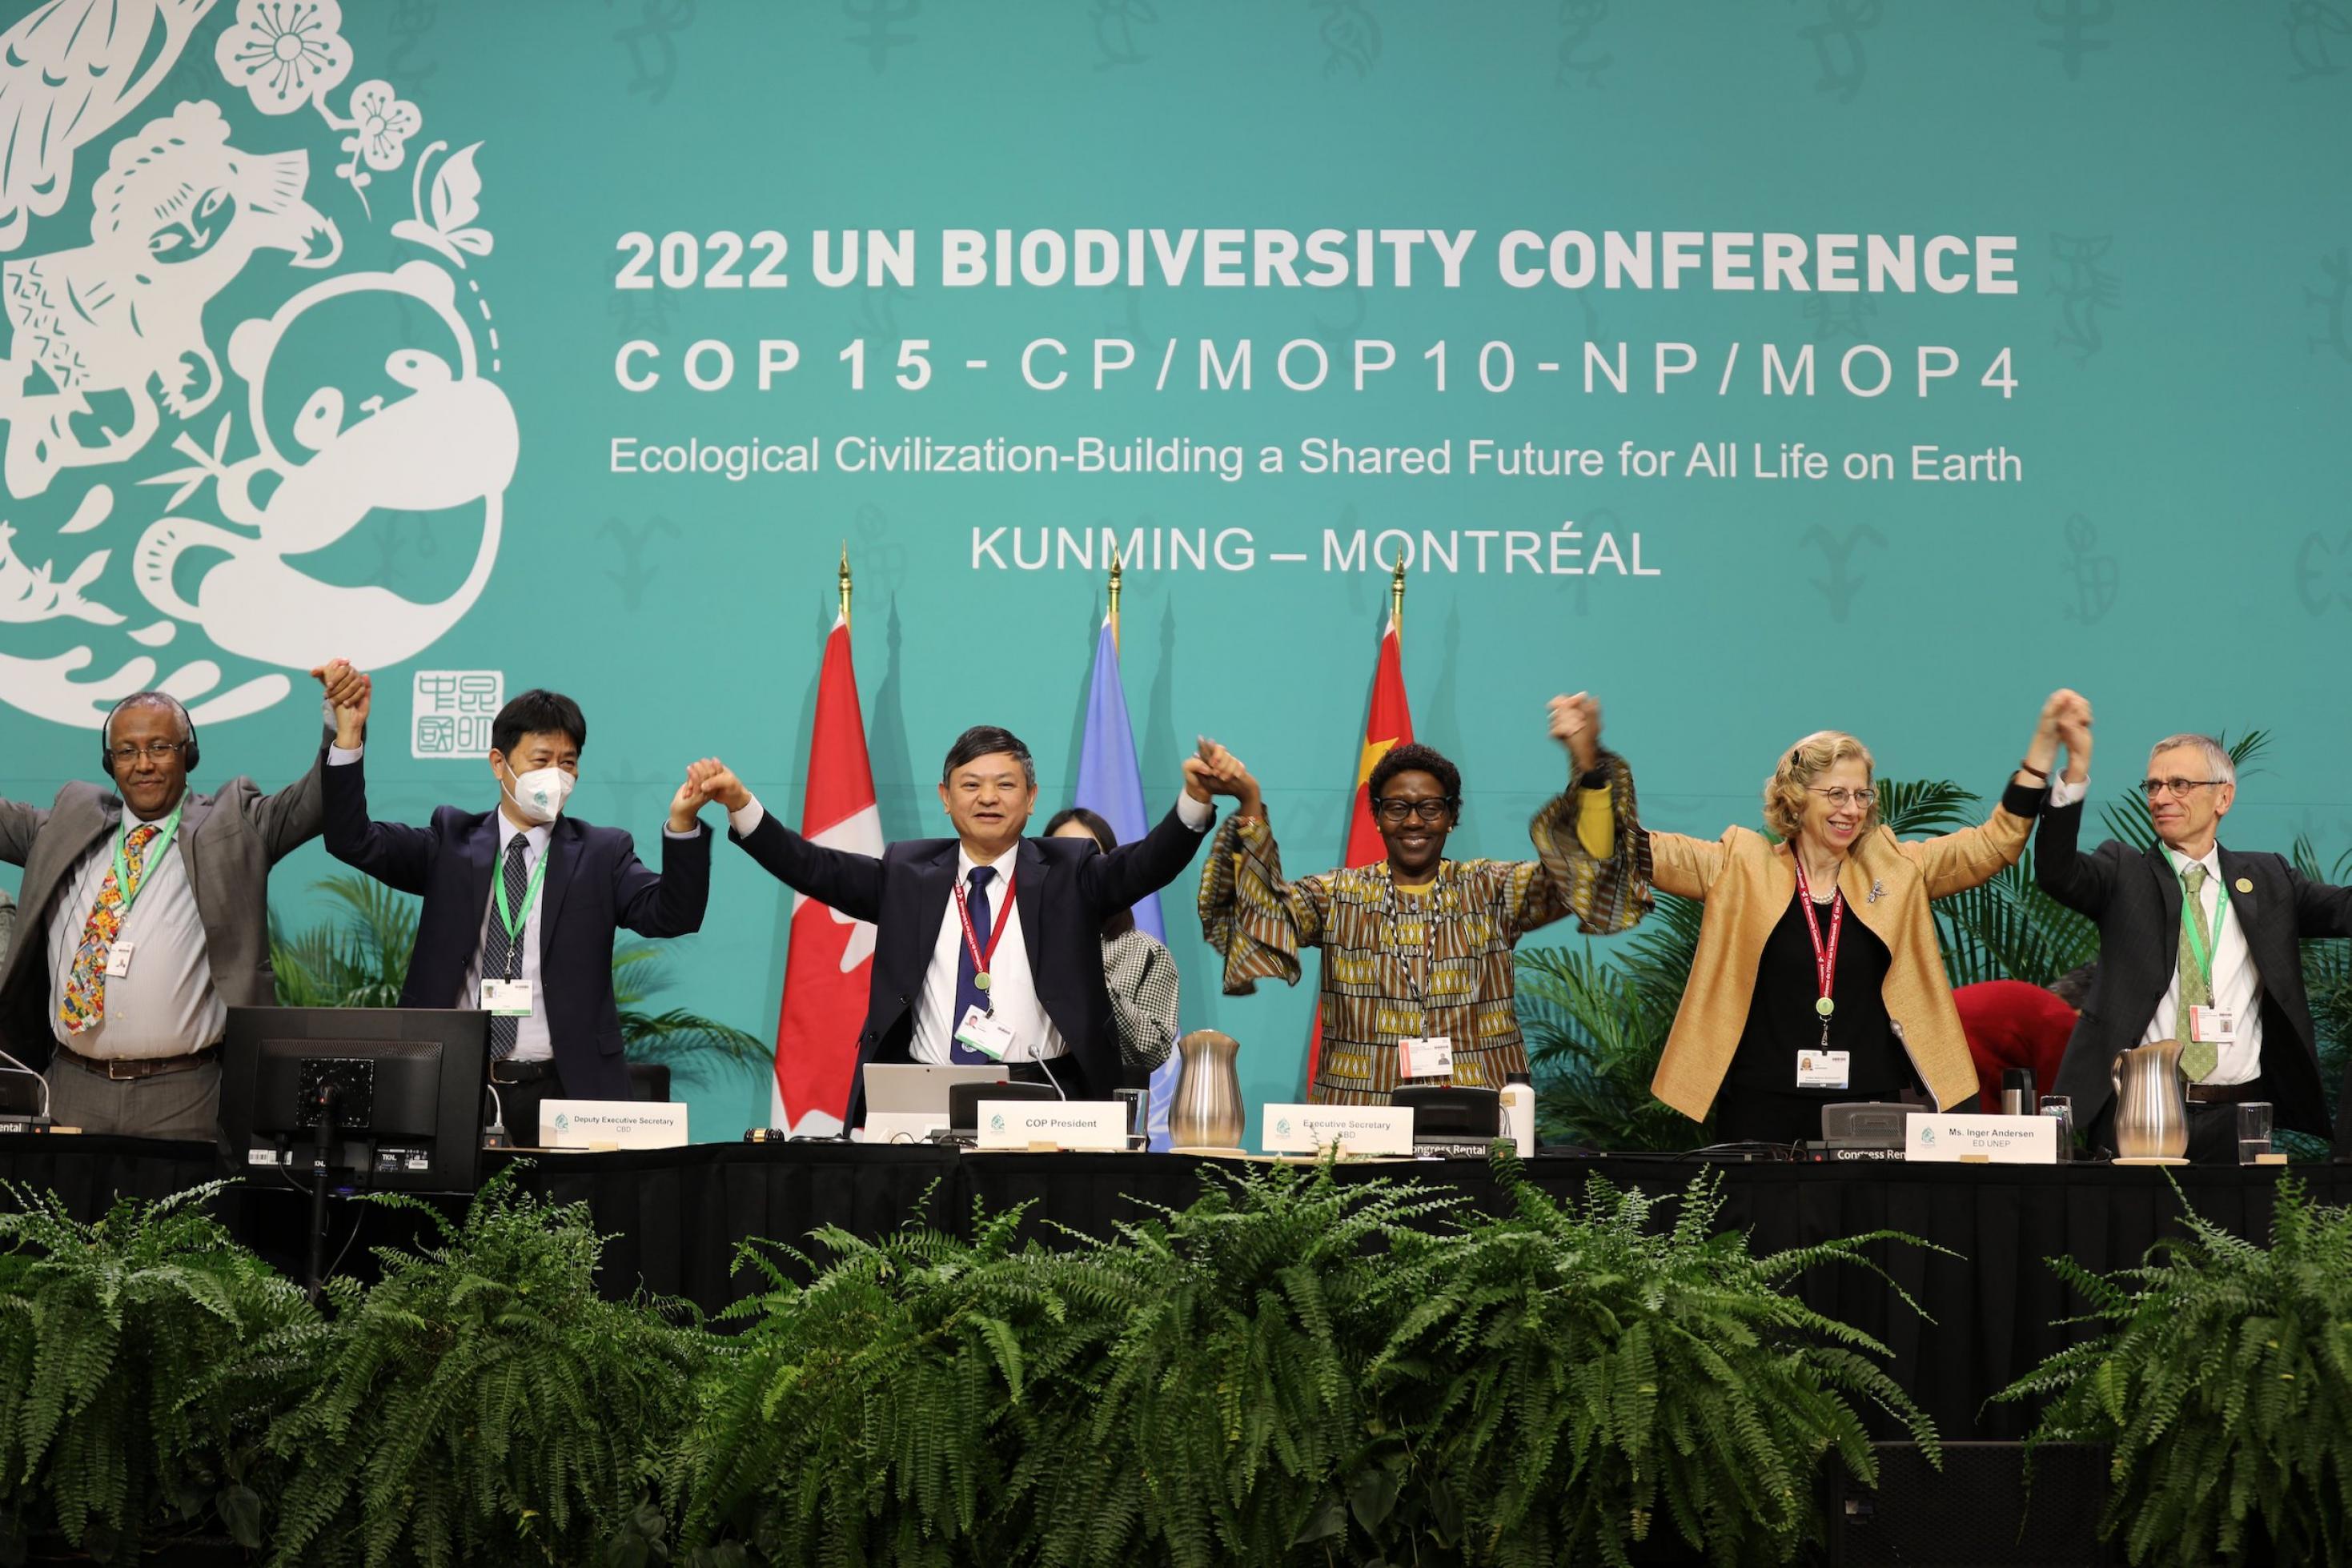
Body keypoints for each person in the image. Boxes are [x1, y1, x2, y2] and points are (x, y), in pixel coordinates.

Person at [1568, 692, 2078, 1145]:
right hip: (1760, 1107)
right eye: (1835, 794)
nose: (1852, 809)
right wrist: (1588, 765)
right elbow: (1626, 850)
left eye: (1861, 795)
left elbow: (1996, 843)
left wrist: (2039, 750)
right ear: (1794, 798)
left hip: (1871, 1108)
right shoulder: (1738, 865)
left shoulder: (1896, 870)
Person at [688, 725, 1223, 1123]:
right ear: (945, 798)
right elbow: (813, 867)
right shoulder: (907, 873)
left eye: (1005, 784)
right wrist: (741, 805)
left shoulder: (1071, 871)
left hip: (1048, 1093)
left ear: (1031, 798)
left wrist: (1194, 803)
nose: (987, 797)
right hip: (923, 1092)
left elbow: (1147, 862)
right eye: (970, 784)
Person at [313, 664, 712, 1140]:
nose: (556, 777)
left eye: (568, 764)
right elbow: (350, 839)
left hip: (564, 1092)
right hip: (454, 1084)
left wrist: (684, 826)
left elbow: (674, 914)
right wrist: (348, 737)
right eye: (541, 760)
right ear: (498, 763)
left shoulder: (602, 854)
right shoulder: (451, 842)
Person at [1194, 694, 1647, 1105]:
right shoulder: (1337, 897)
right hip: (1360, 1121)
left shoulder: (1492, 890)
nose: (1414, 821)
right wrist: (1249, 801)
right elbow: (1262, 914)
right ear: (1376, 817)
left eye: (1430, 808)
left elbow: (1586, 871)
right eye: (1397, 808)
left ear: (1452, 816)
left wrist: (1587, 767)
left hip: (1478, 1118)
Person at [0, 691, 329, 1137]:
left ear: (188, 755)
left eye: (159, 748)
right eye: (127, 752)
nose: (143, 764)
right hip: (71, 1091)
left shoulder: (234, 828)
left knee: (186, 1211)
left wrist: (342, 734)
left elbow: (313, 803)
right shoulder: (64, 828)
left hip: (184, 1096)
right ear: (109, 763)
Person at [2040, 719, 2352, 1161]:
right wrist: (2073, 775)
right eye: (2153, 786)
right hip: (2140, 1114)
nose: (2161, 798)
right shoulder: (2123, 873)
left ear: (2223, 796)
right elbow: (2056, 871)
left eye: (2180, 785)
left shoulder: (2268, 880)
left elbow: (2344, 909)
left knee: (2234, 1231)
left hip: (2239, 1119)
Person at [1045, 806, 1179, 1080]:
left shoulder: (1146, 953)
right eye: (1062, 856)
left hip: (1099, 1107)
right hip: (1018, 1097)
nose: (1074, 868)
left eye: (1087, 856)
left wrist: (1089, 973)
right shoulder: (1015, 940)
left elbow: (1149, 1053)